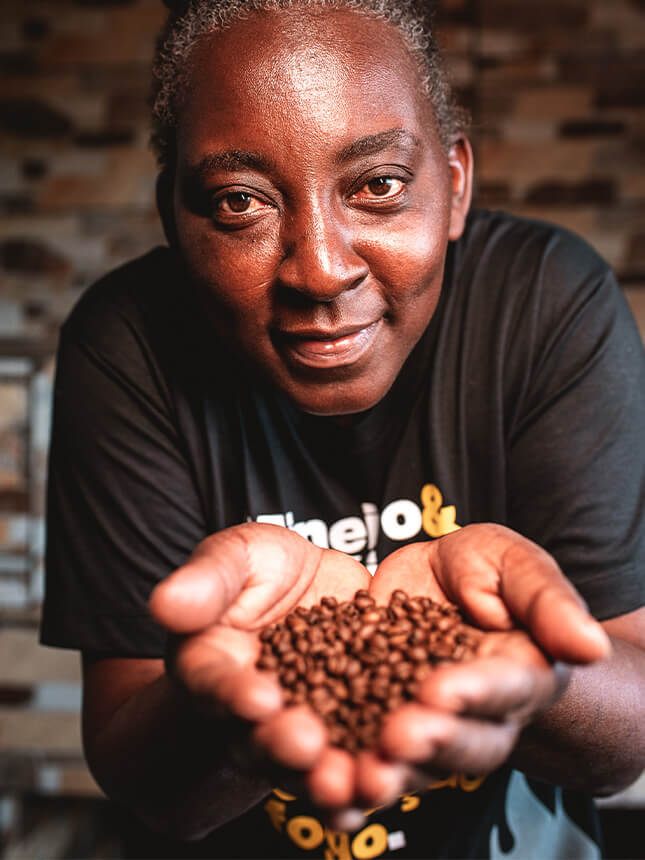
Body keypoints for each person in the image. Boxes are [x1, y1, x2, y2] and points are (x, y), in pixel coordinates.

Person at [40, 0, 645, 857]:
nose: (320, 270)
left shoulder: (549, 302)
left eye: (377, 186)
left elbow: (627, 734)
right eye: (239, 201)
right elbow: (150, 787)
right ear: (174, 220)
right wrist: (231, 692)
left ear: (455, 185)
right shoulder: (125, 344)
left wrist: (530, 664)